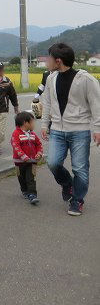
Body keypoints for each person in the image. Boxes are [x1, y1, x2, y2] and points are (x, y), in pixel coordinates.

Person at [40, 43, 100, 216]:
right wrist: (45, 125)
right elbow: (48, 103)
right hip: (58, 130)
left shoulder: (86, 79)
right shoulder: (51, 78)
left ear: (58, 61)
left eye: (49, 58)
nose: (47, 61)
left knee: (80, 168)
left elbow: (96, 105)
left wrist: (97, 128)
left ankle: (77, 200)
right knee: (52, 162)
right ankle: (67, 184)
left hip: (79, 130)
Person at [11, 111, 44, 205]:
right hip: (19, 162)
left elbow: (39, 144)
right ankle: (24, 190)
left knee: (31, 178)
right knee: (21, 177)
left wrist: (39, 153)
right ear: (26, 123)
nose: (34, 124)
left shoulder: (33, 134)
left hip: (32, 161)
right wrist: (24, 156)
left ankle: (32, 195)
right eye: (33, 122)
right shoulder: (16, 134)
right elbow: (16, 146)